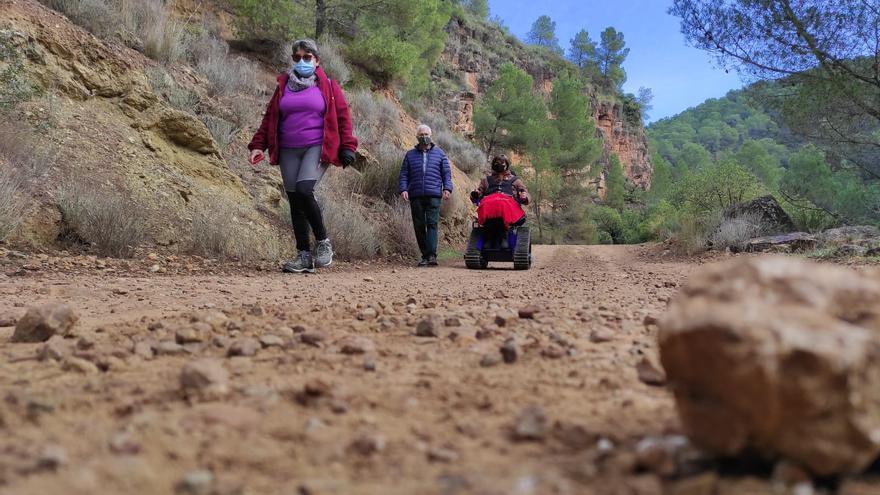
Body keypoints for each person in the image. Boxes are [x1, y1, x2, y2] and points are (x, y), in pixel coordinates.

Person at [248, 39, 358, 274]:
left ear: (316, 60)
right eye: (296, 58)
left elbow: (342, 117)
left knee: (305, 189)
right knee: (295, 201)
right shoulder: (283, 85)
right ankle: (304, 256)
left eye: (306, 57)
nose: (301, 62)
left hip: (317, 146)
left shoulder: (327, 85)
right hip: (288, 148)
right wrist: (258, 145)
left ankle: (323, 242)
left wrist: (348, 146)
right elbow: (270, 118)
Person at [399, 125, 453, 267]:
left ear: (431, 135)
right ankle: (424, 255)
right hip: (415, 195)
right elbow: (404, 174)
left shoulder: (440, 154)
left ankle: (432, 256)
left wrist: (447, 188)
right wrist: (403, 189)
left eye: (426, 134)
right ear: (417, 137)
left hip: (434, 194)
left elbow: (446, 174)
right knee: (419, 225)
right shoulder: (410, 155)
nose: (424, 136)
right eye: (421, 134)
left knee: (432, 224)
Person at [471, 154, 530, 230]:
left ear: (506, 165)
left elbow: (525, 193)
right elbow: (479, 193)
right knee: (486, 204)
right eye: (497, 163)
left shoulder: (515, 180)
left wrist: (524, 197)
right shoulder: (486, 180)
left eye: (502, 163)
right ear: (493, 165)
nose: (499, 165)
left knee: (503, 203)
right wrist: (475, 194)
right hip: (489, 205)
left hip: (509, 205)